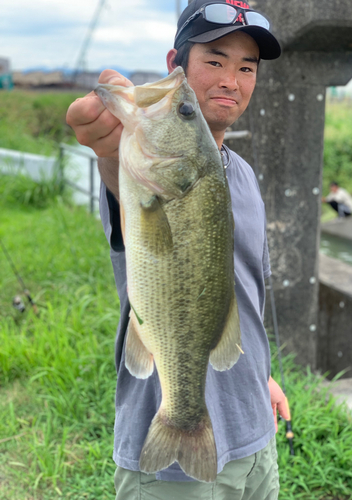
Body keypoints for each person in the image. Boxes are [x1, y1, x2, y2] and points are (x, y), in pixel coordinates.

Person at [66, 1, 289, 498]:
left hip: (254, 435)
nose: (231, 79)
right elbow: (123, 187)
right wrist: (107, 150)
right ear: (177, 65)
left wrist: (261, 379)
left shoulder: (244, 174)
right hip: (171, 457)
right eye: (214, 60)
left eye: (246, 67)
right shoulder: (140, 172)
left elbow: (247, 295)